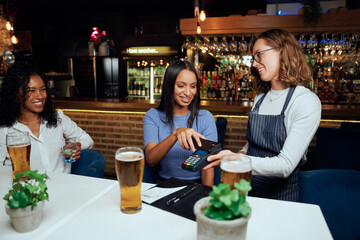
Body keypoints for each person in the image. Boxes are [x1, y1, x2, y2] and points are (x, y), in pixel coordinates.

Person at [205, 29, 321, 201]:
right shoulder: (260, 98)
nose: (254, 63)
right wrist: (236, 157)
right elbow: (252, 146)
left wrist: (237, 159)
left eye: (259, 55)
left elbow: (285, 165)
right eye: (253, 58)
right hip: (247, 189)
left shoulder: (305, 101)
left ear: (283, 51)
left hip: (281, 198)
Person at [0, 61, 93, 173]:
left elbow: (87, 139)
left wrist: (76, 145)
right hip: (27, 188)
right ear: (15, 94)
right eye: (31, 90)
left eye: (43, 89)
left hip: (63, 185)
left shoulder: (58, 118)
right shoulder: (4, 129)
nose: (40, 96)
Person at [143, 59, 217, 186]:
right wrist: (175, 134)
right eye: (181, 86)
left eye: (193, 86)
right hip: (164, 185)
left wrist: (205, 199)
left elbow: (207, 168)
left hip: (196, 186)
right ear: (169, 85)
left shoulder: (205, 117)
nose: (188, 93)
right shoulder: (153, 116)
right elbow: (151, 159)